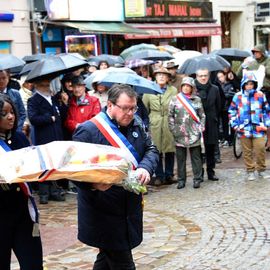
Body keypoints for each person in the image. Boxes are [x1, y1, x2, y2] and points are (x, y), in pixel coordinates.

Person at [72, 84, 159, 269]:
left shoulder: (137, 123)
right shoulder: (88, 130)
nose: (130, 113)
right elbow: (72, 169)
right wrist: (94, 184)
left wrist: (145, 167)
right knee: (123, 262)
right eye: (125, 108)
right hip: (103, 209)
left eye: (133, 108)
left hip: (129, 206)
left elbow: (151, 149)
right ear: (110, 105)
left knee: (107, 258)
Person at [0, 93, 43, 269]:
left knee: (32, 263)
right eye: (4, 113)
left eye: (12, 112)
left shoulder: (19, 137)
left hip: (23, 213)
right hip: (1, 215)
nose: (10, 116)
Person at [27, 77, 66, 204]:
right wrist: (50, 118)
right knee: (44, 165)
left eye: (48, 85)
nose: (47, 88)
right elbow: (33, 118)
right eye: (44, 85)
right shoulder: (33, 100)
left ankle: (54, 191)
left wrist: (64, 103)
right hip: (43, 137)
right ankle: (44, 193)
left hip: (56, 136)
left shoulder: (54, 98)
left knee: (54, 165)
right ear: (37, 86)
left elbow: (62, 116)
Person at [228, 71, 270, 180]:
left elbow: (266, 111)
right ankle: (250, 170)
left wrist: (266, 124)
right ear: (243, 84)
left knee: (260, 149)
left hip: (259, 128)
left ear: (255, 84)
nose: (249, 86)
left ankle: (261, 170)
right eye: (247, 84)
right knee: (247, 151)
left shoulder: (260, 95)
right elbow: (231, 111)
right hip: (243, 129)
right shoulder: (238, 96)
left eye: (251, 84)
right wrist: (235, 125)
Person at [168, 77, 205, 189]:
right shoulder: (175, 99)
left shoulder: (197, 100)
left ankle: (197, 179)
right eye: (184, 86)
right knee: (180, 158)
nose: (186, 88)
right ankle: (181, 180)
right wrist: (173, 129)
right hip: (179, 133)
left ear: (192, 88)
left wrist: (201, 127)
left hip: (194, 132)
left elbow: (202, 115)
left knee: (196, 157)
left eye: (188, 86)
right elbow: (170, 116)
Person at [143, 67, 177, 186]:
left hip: (169, 121)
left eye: (164, 75)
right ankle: (159, 175)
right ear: (155, 77)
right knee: (156, 150)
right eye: (159, 75)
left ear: (168, 78)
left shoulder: (173, 90)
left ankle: (169, 174)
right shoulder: (148, 91)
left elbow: (177, 107)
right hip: (155, 122)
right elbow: (145, 109)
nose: (161, 77)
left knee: (170, 149)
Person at [195, 68, 221, 181]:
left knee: (210, 148)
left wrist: (214, 117)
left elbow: (219, 106)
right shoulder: (193, 89)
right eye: (200, 76)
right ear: (196, 77)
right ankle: (199, 173)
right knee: (197, 149)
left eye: (205, 75)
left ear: (209, 76)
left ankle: (211, 171)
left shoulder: (215, 89)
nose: (203, 78)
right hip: (196, 123)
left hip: (211, 122)